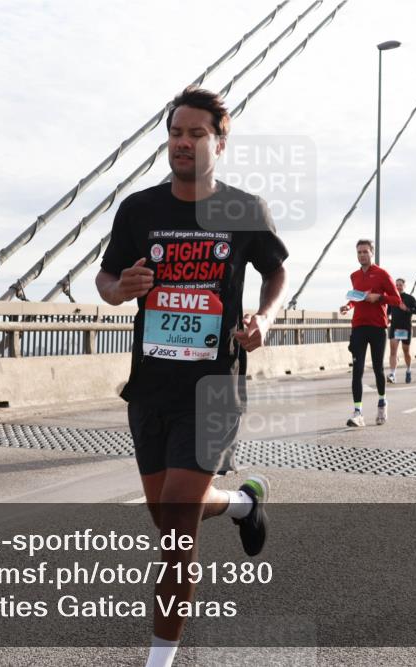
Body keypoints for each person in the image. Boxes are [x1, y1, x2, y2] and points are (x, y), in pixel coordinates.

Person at [96, 86, 288, 667]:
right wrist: (120, 289)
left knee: (177, 517)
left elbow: (275, 274)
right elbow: (106, 283)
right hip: (149, 387)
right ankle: (239, 504)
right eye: (176, 133)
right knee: (167, 511)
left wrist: (266, 318)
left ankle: (161, 658)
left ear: (219, 142)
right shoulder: (139, 210)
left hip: (213, 388)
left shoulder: (244, 210)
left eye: (196, 133)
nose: (182, 142)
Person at [339, 239, 401, 427]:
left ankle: (382, 402)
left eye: (365, 251)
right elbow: (356, 297)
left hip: (377, 327)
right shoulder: (354, 276)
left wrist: (379, 297)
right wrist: (348, 305)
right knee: (356, 370)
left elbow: (396, 300)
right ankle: (358, 412)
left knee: (377, 368)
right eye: (359, 252)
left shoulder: (382, 274)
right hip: (358, 326)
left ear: (372, 252)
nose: (362, 255)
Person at [388, 277, 416, 384]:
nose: (398, 287)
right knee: (393, 351)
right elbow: (387, 311)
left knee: (406, 351)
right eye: (396, 285)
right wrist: (386, 317)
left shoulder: (410, 298)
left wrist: (407, 309)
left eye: (400, 285)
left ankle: (408, 370)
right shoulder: (391, 298)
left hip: (405, 328)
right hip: (394, 327)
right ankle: (393, 374)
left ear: (404, 286)